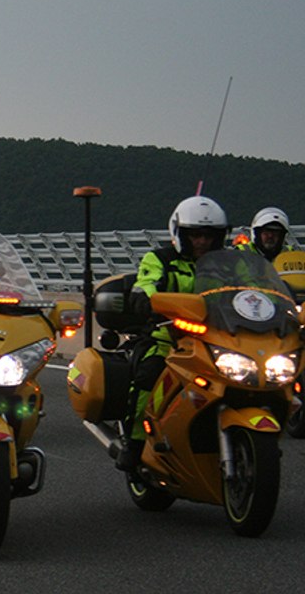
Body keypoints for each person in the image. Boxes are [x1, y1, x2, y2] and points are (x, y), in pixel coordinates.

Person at [118, 195, 229, 471]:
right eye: (195, 235)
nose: (202, 241)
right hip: (167, 339)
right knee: (148, 378)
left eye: (208, 236)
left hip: (219, 340)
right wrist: (148, 299)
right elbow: (146, 283)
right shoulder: (159, 259)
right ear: (180, 233)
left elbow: (253, 286)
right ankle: (133, 444)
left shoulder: (229, 264)